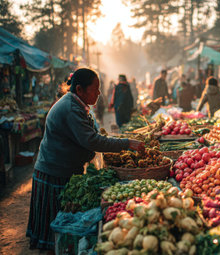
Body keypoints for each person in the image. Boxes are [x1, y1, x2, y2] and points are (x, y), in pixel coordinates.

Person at [26, 68, 144, 252]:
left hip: (60, 167)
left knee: (58, 222)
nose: (99, 93)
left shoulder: (75, 104)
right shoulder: (71, 108)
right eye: (95, 89)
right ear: (79, 89)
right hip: (54, 170)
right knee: (53, 227)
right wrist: (126, 143)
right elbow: (91, 140)